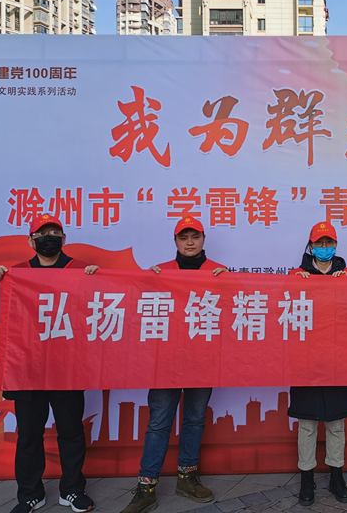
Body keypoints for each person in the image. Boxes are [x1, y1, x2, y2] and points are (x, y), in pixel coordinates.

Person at [0, 213, 98, 513]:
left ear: (64, 238)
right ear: (31, 241)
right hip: (27, 370)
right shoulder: (16, 274)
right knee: (29, 435)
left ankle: (72, 490)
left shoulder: (82, 270)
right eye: (42, 234)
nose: (49, 238)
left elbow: (101, 313)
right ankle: (30, 494)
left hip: (68, 368)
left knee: (71, 432)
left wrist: (100, 282)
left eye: (55, 233)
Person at [121, 217, 227, 513]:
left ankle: (187, 477)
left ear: (203, 239)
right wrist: (145, 281)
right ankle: (146, 486)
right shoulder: (160, 272)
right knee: (158, 422)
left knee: (195, 419)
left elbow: (235, 313)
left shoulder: (218, 272)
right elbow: (135, 306)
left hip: (203, 361)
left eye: (195, 236)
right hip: (165, 362)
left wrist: (230, 284)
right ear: (176, 241)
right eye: (183, 237)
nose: (189, 242)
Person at [288, 222, 347, 507]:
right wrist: (297, 286)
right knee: (307, 424)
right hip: (306, 359)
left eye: (329, 243)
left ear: (336, 245)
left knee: (336, 423)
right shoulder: (296, 276)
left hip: (340, 359)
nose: (325, 247)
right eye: (320, 243)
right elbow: (284, 313)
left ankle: (336, 476)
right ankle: (307, 478)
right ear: (311, 245)